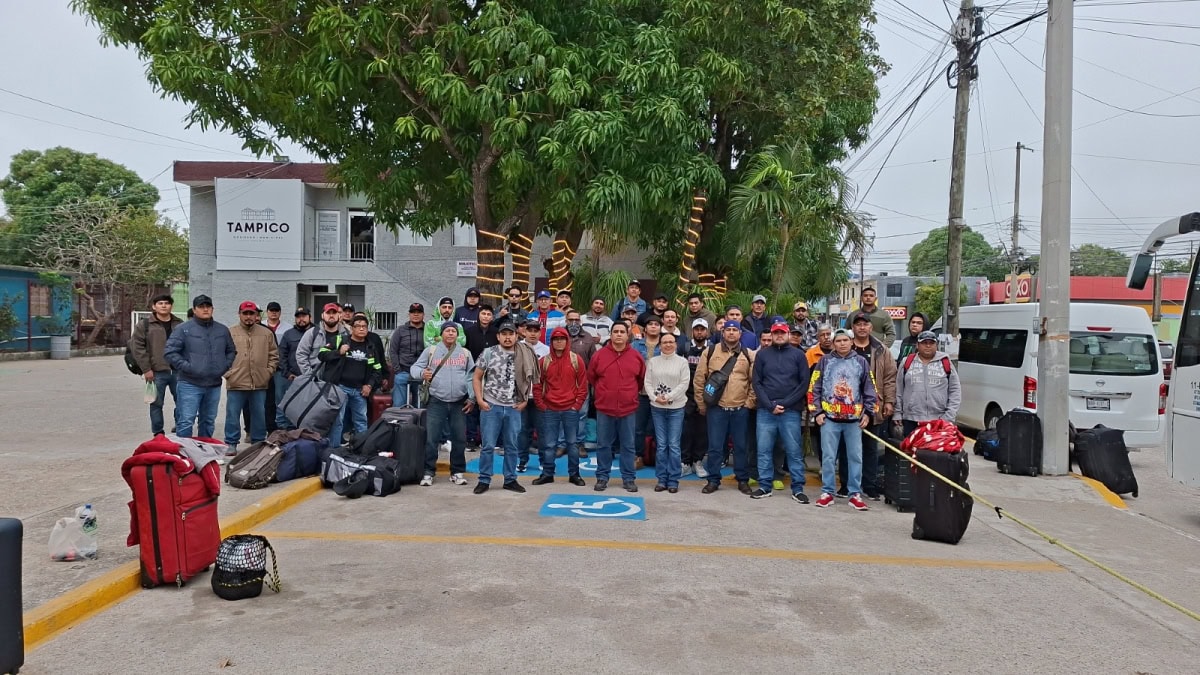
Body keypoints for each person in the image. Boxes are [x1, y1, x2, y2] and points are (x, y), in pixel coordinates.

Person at [809, 328, 877, 511]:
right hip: (829, 419)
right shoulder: (824, 361)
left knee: (855, 457)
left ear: (852, 342)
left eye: (845, 340)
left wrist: (868, 413)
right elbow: (814, 387)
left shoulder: (861, 362)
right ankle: (827, 492)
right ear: (833, 343)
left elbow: (870, 389)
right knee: (829, 457)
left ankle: (855, 494)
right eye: (838, 341)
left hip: (854, 421)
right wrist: (817, 412)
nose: (842, 344)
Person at [472, 320, 539, 493]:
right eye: (504, 334)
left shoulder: (524, 353)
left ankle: (510, 479)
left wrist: (525, 400)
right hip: (491, 405)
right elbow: (477, 377)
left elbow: (529, 378)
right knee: (488, 446)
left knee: (512, 445)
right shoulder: (489, 353)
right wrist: (480, 400)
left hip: (513, 407)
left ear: (517, 336)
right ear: (498, 336)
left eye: (511, 334)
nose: (507, 338)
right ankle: (484, 479)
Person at [749, 321, 811, 502]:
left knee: (793, 451)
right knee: (763, 450)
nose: (779, 335)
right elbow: (756, 382)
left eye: (782, 333)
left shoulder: (799, 355)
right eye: (776, 333)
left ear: (788, 334)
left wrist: (785, 403)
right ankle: (764, 486)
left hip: (790, 411)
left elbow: (804, 383)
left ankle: (798, 488)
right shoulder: (762, 355)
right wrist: (770, 405)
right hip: (766, 411)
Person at [693, 319, 756, 495]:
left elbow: (754, 381)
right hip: (717, 408)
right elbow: (699, 379)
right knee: (715, 447)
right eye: (728, 330)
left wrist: (749, 403)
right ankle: (713, 480)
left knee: (741, 447)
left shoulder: (748, 354)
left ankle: (742, 479)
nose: (731, 333)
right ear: (723, 332)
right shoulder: (710, 352)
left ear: (740, 334)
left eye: (735, 330)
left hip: (740, 409)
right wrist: (701, 403)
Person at [411, 323, 475, 486]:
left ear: (457, 335)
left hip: (459, 402)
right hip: (436, 401)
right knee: (432, 439)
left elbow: (472, 376)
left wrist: (472, 398)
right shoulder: (431, 351)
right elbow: (415, 368)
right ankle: (428, 472)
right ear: (441, 334)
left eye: (454, 331)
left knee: (459, 439)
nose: (451, 333)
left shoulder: (465, 353)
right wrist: (422, 373)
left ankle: (457, 472)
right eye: (447, 331)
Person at [165, 295, 235, 440]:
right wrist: (189, 367)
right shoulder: (183, 329)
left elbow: (231, 351)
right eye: (201, 307)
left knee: (208, 421)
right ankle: (184, 451)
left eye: (208, 306)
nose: (205, 309)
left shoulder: (222, 330)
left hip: (214, 384)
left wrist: (224, 366)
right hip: (189, 383)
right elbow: (170, 352)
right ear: (194, 309)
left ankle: (205, 449)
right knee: (186, 421)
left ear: (212, 309)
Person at [588, 320, 646, 492]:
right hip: (605, 408)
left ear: (628, 335)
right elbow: (592, 377)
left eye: (622, 331)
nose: (619, 334)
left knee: (628, 445)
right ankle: (602, 477)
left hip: (628, 409)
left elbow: (640, 379)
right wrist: (605, 392)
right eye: (616, 331)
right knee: (603, 445)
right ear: (611, 335)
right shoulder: (599, 355)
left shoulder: (636, 356)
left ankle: (628, 478)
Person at [845, 312, 897, 500]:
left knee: (870, 448)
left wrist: (889, 401)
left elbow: (890, 377)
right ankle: (847, 484)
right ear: (853, 328)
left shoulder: (882, 350)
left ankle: (869, 485)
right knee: (847, 448)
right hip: (847, 406)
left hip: (873, 405)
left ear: (871, 327)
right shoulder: (845, 347)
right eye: (858, 324)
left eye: (865, 324)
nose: (861, 327)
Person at [532, 327, 588, 486]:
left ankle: (574, 475)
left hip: (570, 409)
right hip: (549, 409)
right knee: (549, 444)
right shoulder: (544, 361)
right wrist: (541, 405)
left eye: (562, 339)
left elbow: (583, 385)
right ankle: (547, 474)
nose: (559, 342)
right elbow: (537, 384)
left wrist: (576, 405)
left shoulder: (576, 360)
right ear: (551, 342)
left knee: (572, 444)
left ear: (567, 341)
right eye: (556, 339)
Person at [319, 313, 385, 446]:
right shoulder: (339, 340)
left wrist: (369, 385)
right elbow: (321, 354)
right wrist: (338, 352)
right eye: (358, 326)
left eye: (364, 326)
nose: (361, 329)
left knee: (361, 421)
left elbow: (377, 370)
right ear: (352, 328)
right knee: (338, 421)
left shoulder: (371, 347)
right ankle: (334, 450)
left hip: (360, 390)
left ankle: (361, 450)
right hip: (340, 388)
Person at [223, 301, 279, 450]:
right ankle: (231, 443)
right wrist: (228, 373)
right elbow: (221, 355)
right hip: (236, 382)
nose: (248, 316)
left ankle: (258, 443)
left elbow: (274, 355)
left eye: (251, 313)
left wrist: (267, 372)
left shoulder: (266, 333)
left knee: (259, 414)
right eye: (245, 313)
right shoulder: (229, 332)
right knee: (232, 415)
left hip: (259, 382)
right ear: (239, 314)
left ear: (256, 315)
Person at [130, 293, 183, 437]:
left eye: (167, 303)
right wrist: (146, 369)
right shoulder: (145, 325)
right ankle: (158, 432)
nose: (164, 306)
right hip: (156, 372)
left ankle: (180, 427)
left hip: (178, 371)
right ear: (154, 306)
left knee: (182, 402)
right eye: (160, 303)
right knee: (156, 404)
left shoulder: (180, 324)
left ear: (171, 306)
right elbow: (138, 348)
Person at [645, 332, 690, 493]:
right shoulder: (653, 361)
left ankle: (673, 480)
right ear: (660, 345)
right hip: (657, 408)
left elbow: (684, 383)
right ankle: (661, 479)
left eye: (671, 342)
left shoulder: (682, 362)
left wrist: (669, 397)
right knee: (662, 445)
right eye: (665, 342)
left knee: (674, 445)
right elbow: (647, 382)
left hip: (676, 408)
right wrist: (655, 397)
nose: (668, 345)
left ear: (676, 344)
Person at [894, 331, 961, 438]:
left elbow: (955, 391)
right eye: (924, 343)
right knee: (912, 448)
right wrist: (897, 413)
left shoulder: (945, 362)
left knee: (935, 449)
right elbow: (898, 389)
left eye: (931, 343)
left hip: (939, 420)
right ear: (917, 345)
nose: (928, 346)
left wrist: (949, 416)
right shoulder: (907, 362)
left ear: (936, 345)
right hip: (911, 419)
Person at [563, 309, 597, 458]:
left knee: (581, 414)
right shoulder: (559, 335)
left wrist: (590, 380)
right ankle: (562, 444)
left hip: (583, 383)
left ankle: (579, 444)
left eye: (576, 320)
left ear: (580, 321)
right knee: (562, 413)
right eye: (570, 320)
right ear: (566, 321)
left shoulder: (588, 338)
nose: (573, 323)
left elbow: (594, 361)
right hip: (562, 383)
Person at [516, 319, 549, 471]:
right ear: (524, 332)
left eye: (536, 331)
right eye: (530, 330)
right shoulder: (517, 347)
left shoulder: (546, 350)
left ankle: (543, 461)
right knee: (523, 431)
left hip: (539, 397)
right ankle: (522, 460)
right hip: (521, 397)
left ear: (540, 333)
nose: (533, 334)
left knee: (542, 431)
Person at [682, 318, 712, 479]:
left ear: (707, 331)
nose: (699, 332)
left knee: (702, 431)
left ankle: (698, 461)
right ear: (692, 331)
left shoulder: (713, 349)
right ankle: (685, 462)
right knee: (686, 430)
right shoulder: (685, 347)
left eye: (702, 329)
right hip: (686, 395)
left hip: (706, 396)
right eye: (697, 329)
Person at [632, 316, 664, 463]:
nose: (653, 326)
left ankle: (656, 457)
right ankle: (638, 456)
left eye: (656, 324)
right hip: (641, 392)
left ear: (660, 328)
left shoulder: (665, 344)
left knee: (658, 428)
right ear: (645, 328)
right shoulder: (635, 345)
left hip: (659, 392)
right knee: (638, 427)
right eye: (650, 324)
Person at [275, 307, 312, 430]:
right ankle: (283, 429)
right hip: (291, 377)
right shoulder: (288, 334)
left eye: (304, 316)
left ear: (310, 317)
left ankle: (302, 430)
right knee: (284, 403)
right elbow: (282, 354)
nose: (301, 319)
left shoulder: (316, 333)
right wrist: (287, 373)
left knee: (306, 405)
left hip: (310, 378)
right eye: (298, 317)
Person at [388, 303, 426, 408]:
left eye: (419, 312)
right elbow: (393, 351)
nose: (416, 314)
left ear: (423, 315)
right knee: (399, 406)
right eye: (413, 312)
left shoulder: (428, 330)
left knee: (420, 406)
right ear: (409, 314)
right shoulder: (400, 330)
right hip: (403, 371)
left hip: (421, 373)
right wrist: (397, 370)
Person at [297, 303, 348, 375]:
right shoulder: (312, 333)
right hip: (316, 378)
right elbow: (301, 354)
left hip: (339, 379)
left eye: (334, 313)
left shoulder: (346, 334)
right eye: (328, 313)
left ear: (339, 315)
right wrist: (310, 374)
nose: (331, 316)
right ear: (322, 315)